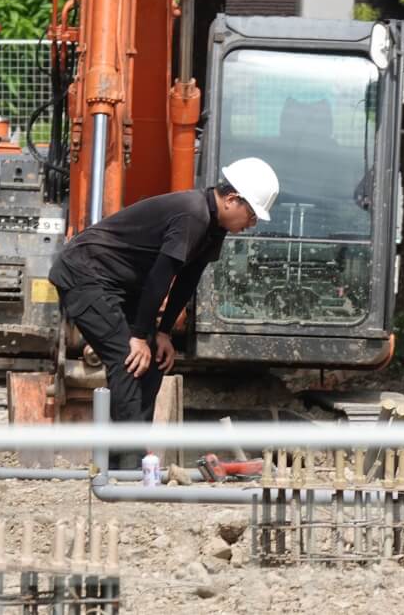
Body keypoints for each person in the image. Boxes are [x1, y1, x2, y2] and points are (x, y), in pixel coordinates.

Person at [49, 157, 279, 467]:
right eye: (251, 215)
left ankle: (124, 462)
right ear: (232, 199)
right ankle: (129, 465)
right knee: (128, 360)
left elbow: (187, 279)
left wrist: (161, 333)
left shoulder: (214, 227)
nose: (251, 224)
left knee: (153, 361)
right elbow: (161, 277)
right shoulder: (192, 214)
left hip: (119, 286)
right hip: (85, 275)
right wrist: (137, 336)